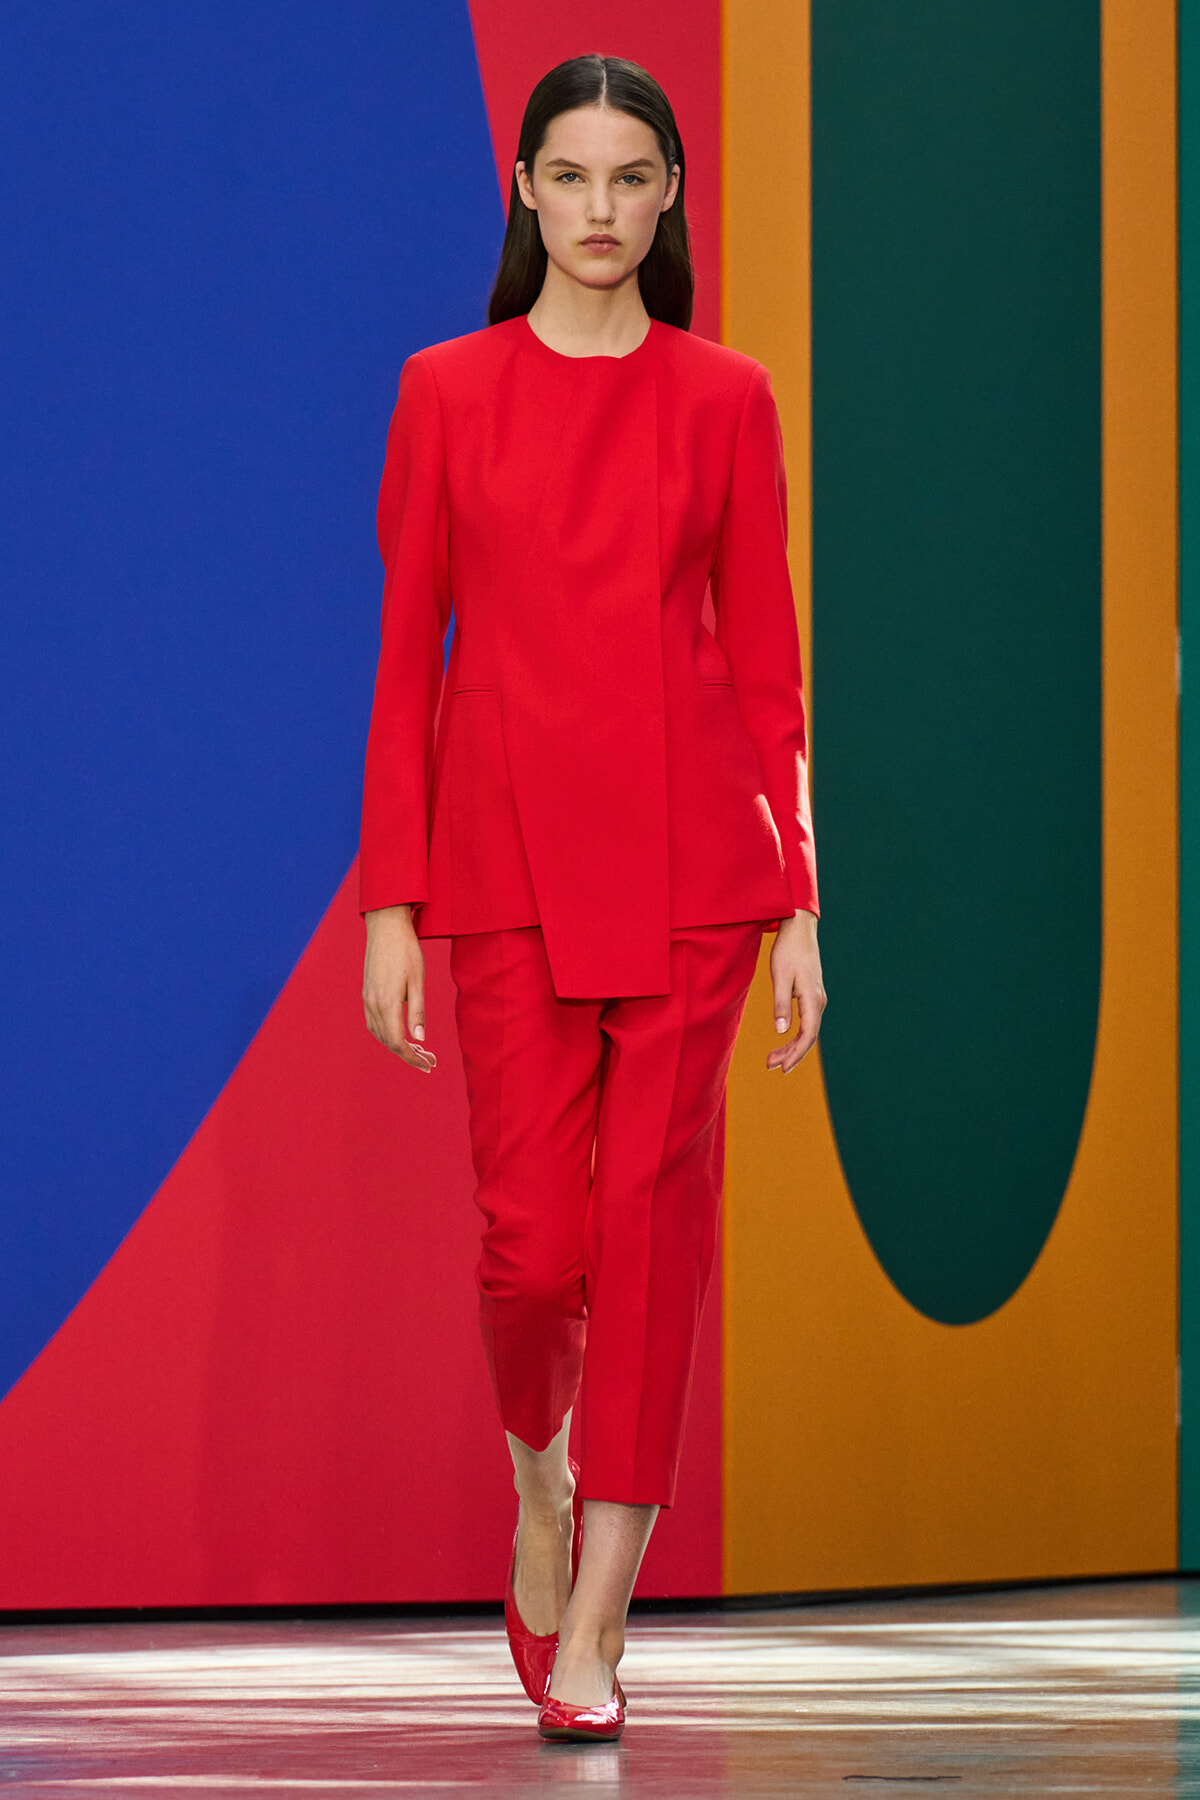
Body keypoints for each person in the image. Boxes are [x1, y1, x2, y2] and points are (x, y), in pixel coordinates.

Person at [359, 53, 826, 1743]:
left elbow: (769, 672)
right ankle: (535, 1474)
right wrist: (391, 906)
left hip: (698, 869)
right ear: (526, 191)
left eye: (636, 179)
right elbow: (409, 656)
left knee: (647, 1241)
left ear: (672, 195)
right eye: (574, 176)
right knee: (529, 1248)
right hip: (502, 866)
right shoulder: (444, 391)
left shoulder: (727, 398)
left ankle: (601, 1625)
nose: (605, 210)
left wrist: (801, 902)